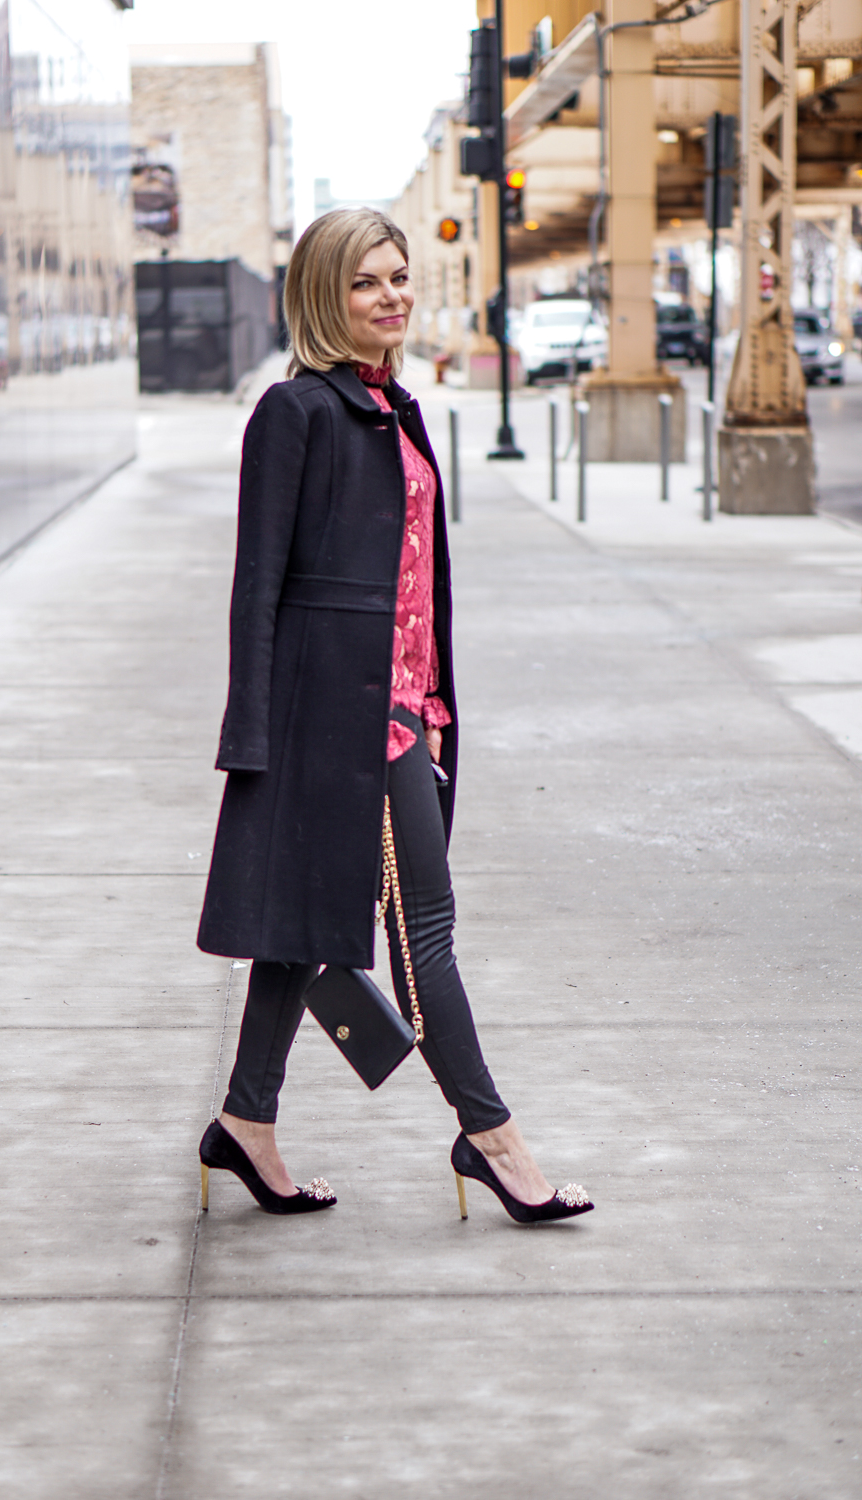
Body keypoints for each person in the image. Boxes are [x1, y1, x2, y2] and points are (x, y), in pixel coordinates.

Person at [196, 208, 593, 1225]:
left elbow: (417, 583)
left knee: (302, 929)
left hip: (406, 709)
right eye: (367, 281)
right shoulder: (295, 415)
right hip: (341, 720)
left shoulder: (395, 407)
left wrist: (435, 702)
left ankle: (245, 1123)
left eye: (399, 278)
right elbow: (257, 587)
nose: (391, 296)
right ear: (325, 294)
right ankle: (492, 1138)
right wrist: (252, 734)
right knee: (424, 932)